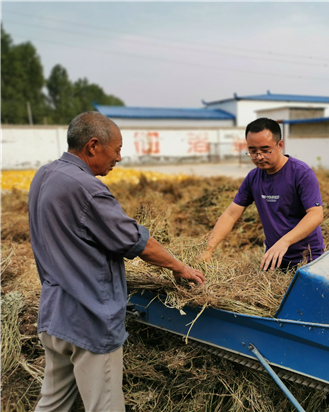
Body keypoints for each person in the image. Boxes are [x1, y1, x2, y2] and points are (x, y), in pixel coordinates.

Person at [28, 111, 205, 412]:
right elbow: (136, 242)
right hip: (89, 320)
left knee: (52, 405)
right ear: (93, 146)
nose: (119, 158)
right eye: (117, 149)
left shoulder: (44, 175)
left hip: (54, 315)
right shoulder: (87, 188)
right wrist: (180, 267)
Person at [200, 117, 324, 270]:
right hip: (273, 259)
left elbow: (316, 214)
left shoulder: (301, 173)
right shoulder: (253, 177)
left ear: (280, 145)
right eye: (253, 151)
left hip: (307, 259)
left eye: (265, 150)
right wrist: (208, 250)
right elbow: (230, 214)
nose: (259, 157)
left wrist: (284, 242)